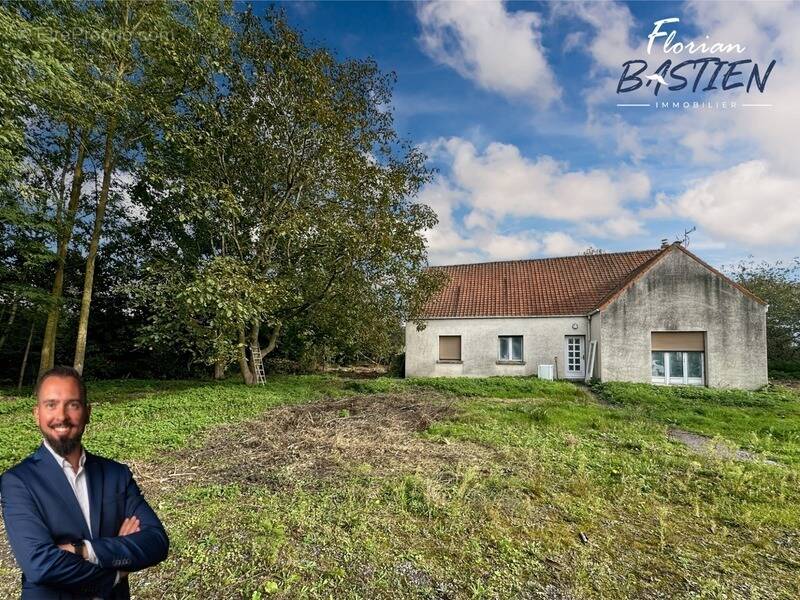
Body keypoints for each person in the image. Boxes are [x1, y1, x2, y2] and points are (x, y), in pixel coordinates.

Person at [1, 366, 169, 599]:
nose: (61, 416)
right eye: (51, 404)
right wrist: (115, 572)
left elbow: (157, 542)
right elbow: (40, 564)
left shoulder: (116, 474)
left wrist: (85, 550)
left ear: (87, 412)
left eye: (73, 404)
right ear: (36, 414)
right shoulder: (17, 482)